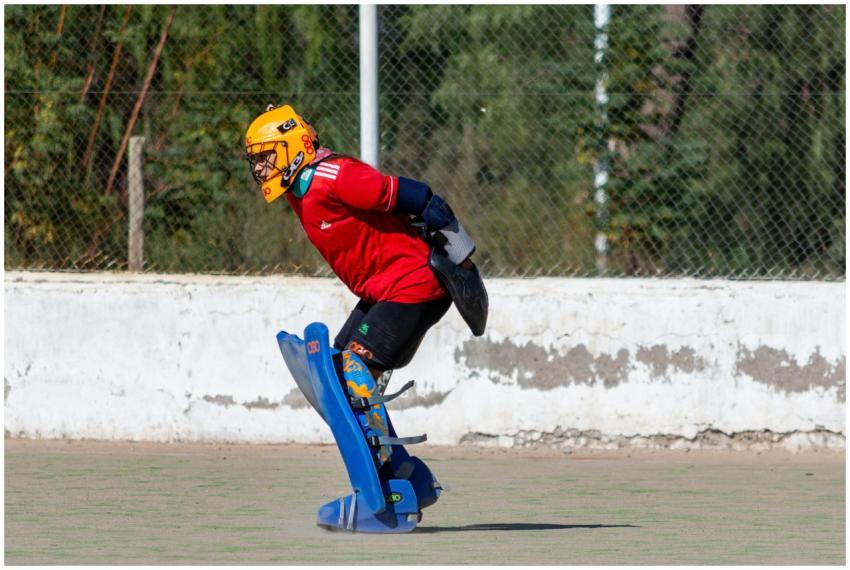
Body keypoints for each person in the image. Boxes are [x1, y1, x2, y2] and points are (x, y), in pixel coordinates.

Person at [245, 104, 486, 393]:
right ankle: (372, 424)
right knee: (336, 364)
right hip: (382, 293)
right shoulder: (298, 188)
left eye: (265, 156)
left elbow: (422, 199)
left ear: (293, 147)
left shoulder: (337, 177)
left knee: (354, 371)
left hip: (413, 287)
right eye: (256, 159)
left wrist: (462, 259)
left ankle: (368, 408)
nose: (259, 167)